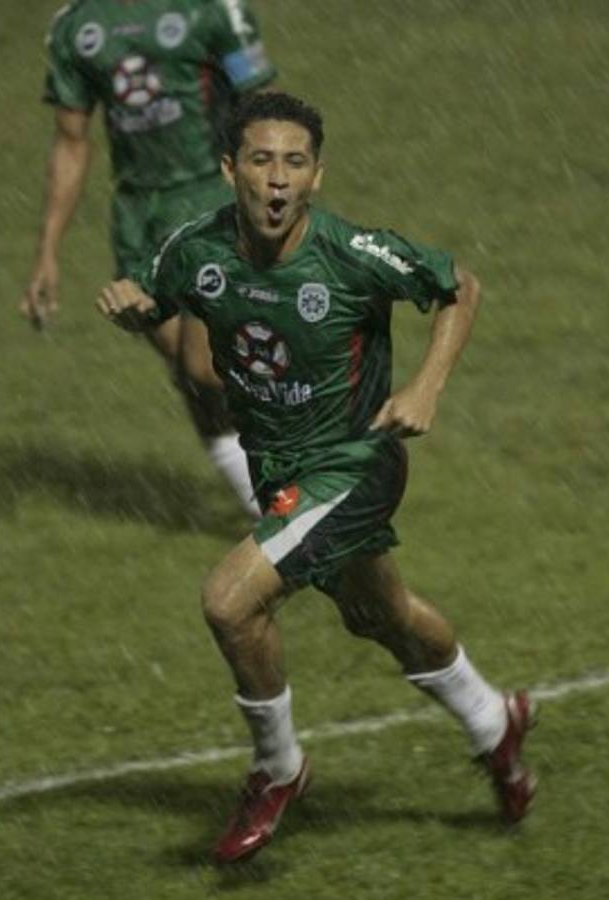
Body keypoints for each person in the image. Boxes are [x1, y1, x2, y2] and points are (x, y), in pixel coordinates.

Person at [97, 92, 536, 864]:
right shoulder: (194, 251)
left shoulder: (352, 254)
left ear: (317, 176)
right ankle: (493, 722)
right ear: (229, 169)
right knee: (382, 615)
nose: (277, 179)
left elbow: (459, 287)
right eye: (261, 160)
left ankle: (277, 769)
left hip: (355, 464)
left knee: (229, 602)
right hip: (281, 472)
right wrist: (137, 311)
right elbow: (177, 330)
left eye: (295, 163)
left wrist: (426, 387)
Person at [22, 0, 278, 516]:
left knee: (204, 366)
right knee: (187, 372)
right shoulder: (76, 26)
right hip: (139, 218)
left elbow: (264, 107)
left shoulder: (212, 10)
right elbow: (71, 142)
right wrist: (48, 252)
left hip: (210, 196)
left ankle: (316, 434)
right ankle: (269, 504)